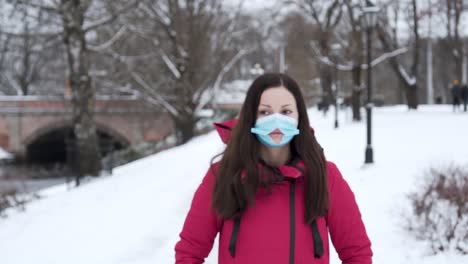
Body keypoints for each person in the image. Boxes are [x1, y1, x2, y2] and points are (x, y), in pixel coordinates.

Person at [175, 73, 373, 264]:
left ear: (299, 117)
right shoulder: (223, 175)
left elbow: (357, 253)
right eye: (265, 112)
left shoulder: (325, 176)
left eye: (286, 111)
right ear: (251, 117)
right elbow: (189, 252)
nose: (276, 121)